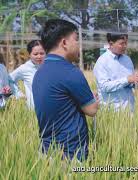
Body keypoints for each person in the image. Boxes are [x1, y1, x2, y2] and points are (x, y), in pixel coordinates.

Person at [33, 19, 99, 161]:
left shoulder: (40, 72)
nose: (79, 45)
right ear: (64, 43)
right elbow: (92, 110)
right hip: (71, 153)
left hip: (47, 151)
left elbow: (60, 103)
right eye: (76, 40)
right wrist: (93, 99)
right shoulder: (70, 71)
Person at [93, 32, 138, 112]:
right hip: (111, 111)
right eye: (122, 43)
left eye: (126, 43)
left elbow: (129, 82)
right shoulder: (102, 61)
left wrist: (137, 82)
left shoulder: (127, 60)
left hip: (129, 110)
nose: (125, 46)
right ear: (111, 44)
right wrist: (127, 80)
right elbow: (104, 86)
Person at [10, 40, 45, 109]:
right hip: (33, 111)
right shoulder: (24, 68)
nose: (39, 56)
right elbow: (9, 79)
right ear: (29, 54)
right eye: (35, 54)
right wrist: (18, 93)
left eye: (42, 53)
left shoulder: (50, 66)